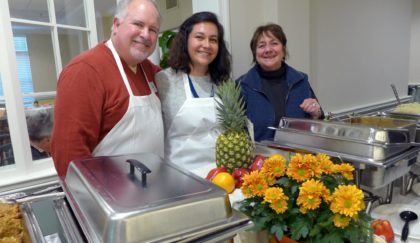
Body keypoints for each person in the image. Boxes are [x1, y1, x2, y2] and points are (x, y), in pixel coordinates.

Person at [51, 0, 163, 178]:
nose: (146, 34)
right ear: (116, 24)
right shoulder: (85, 70)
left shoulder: (149, 70)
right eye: (138, 24)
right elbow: (68, 156)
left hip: (152, 191)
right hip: (109, 200)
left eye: (153, 30)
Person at [155, 11, 231, 170]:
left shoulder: (224, 83)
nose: (207, 45)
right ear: (185, 40)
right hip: (178, 177)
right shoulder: (164, 80)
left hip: (220, 176)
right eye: (199, 37)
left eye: (213, 40)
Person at [237, 23, 324, 142]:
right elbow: (236, 133)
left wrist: (316, 114)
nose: (268, 50)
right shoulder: (242, 86)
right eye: (261, 46)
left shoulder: (301, 81)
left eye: (274, 43)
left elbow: (318, 123)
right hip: (259, 158)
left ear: (283, 49)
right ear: (255, 52)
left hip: (299, 157)